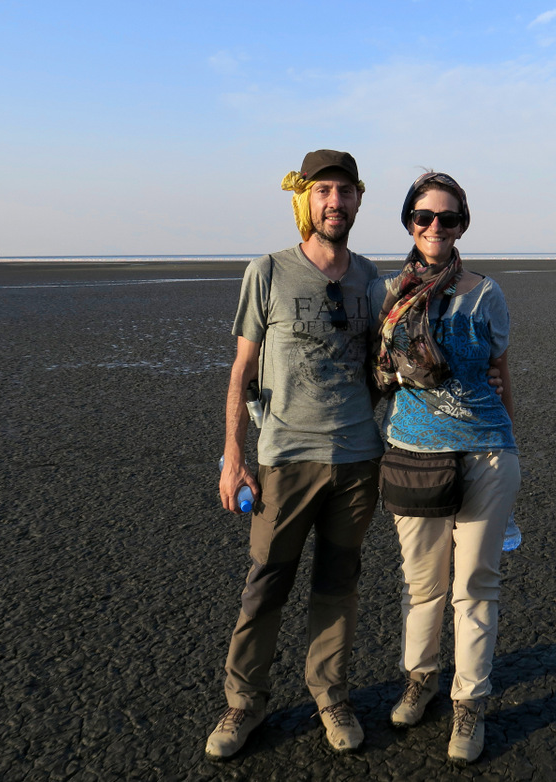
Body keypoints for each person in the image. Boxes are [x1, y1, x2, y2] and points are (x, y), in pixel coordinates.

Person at [206, 150, 383, 760]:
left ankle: (330, 695)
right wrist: (233, 455)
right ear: (304, 198)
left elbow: (387, 366)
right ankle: (243, 704)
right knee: (266, 584)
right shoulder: (269, 272)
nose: (335, 202)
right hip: (285, 459)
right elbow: (241, 369)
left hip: (360, 458)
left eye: (346, 191)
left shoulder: (371, 278)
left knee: (339, 584)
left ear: (359, 199)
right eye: (324, 191)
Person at [368, 171, 520, 765]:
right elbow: (369, 370)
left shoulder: (487, 294)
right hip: (412, 452)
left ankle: (469, 701)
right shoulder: (387, 293)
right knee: (422, 584)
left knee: (475, 587)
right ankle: (421, 679)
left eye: (448, 218)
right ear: (409, 221)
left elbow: (502, 372)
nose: (436, 227)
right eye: (424, 217)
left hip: (486, 454)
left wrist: (510, 442)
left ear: (463, 225)